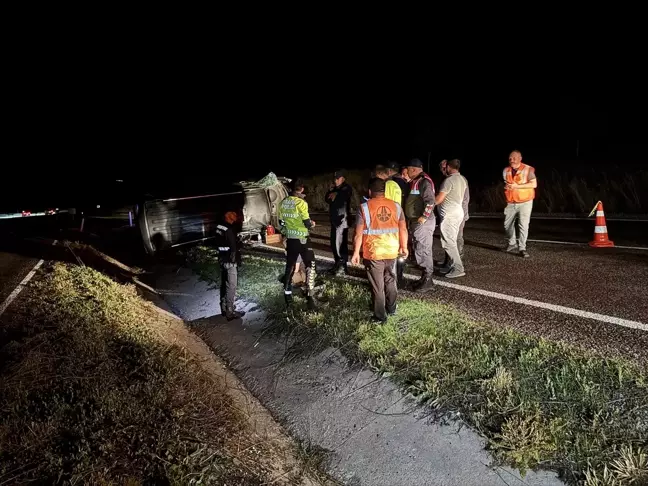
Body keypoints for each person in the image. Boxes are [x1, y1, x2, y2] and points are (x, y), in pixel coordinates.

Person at [351, 178, 408, 323]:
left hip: (374, 251)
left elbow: (358, 234)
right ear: (384, 191)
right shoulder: (396, 206)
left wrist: (356, 253)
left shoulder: (364, 208)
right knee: (390, 280)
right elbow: (403, 228)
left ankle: (380, 316)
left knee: (378, 286)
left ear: (370, 191)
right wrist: (404, 246)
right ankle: (392, 308)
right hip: (392, 250)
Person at [278, 181, 317, 309]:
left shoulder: (283, 203)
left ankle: (287, 295)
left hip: (291, 239)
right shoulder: (301, 203)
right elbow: (307, 223)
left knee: (290, 266)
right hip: (303, 239)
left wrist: (287, 233)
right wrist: (312, 224)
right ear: (302, 189)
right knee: (310, 265)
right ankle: (310, 297)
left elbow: (281, 223)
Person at [404, 158, 436, 291]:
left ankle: (428, 280)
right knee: (420, 249)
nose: (406, 172)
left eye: (408, 170)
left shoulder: (424, 182)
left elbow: (430, 201)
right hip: (417, 222)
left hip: (423, 222)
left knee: (424, 250)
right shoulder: (416, 182)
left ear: (413, 169)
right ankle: (425, 278)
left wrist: (424, 216)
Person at [435, 159, 468, 278]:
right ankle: (452, 265)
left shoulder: (449, 181)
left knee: (448, 242)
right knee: (452, 241)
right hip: (458, 212)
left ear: (449, 167)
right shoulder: (462, 179)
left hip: (450, 214)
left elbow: (439, 199)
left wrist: (428, 201)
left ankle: (458, 268)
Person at [503, 150, 537, 258]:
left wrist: (516, 186)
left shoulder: (527, 169)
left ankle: (522, 248)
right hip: (511, 202)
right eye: (510, 158)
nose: (511, 160)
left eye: (514, 158)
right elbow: (507, 183)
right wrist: (507, 187)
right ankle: (512, 243)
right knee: (507, 225)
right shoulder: (506, 170)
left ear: (520, 158)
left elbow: (534, 184)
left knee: (523, 225)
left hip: (525, 202)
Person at [215, 211, 246, 320]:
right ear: (230, 217)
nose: (236, 218)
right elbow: (233, 247)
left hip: (222, 258)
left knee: (224, 284)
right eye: (235, 216)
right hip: (230, 261)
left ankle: (223, 308)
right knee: (231, 286)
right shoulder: (229, 229)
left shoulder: (219, 227)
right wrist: (240, 243)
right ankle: (230, 311)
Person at [325, 170, 353, 275]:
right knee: (334, 243)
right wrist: (333, 193)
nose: (335, 180)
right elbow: (327, 198)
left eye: (338, 178)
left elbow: (342, 197)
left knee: (340, 244)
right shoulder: (334, 188)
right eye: (335, 178)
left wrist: (336, 193)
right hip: (334, 219)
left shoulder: (346, 188)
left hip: (342, 220)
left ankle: (342, 266)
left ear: (343, 178)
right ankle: (337, 264)